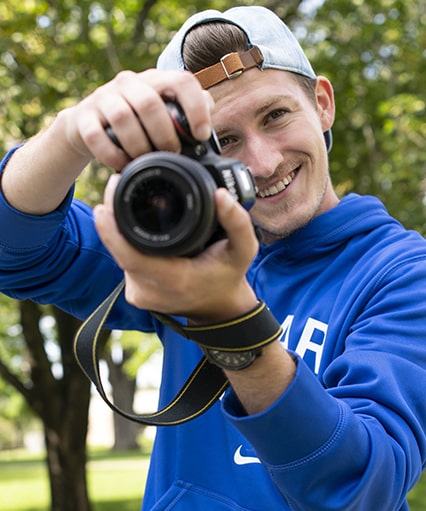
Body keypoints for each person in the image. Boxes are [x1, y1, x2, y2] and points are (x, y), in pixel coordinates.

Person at [0, 5, 425, 510]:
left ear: (323, 103)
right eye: (224, 140)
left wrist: (227, 318)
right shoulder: (180, 253)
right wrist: (72, 135)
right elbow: (18, 252)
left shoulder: (402, 273)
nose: (264, 163)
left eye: (275, 115)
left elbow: (364, 486)